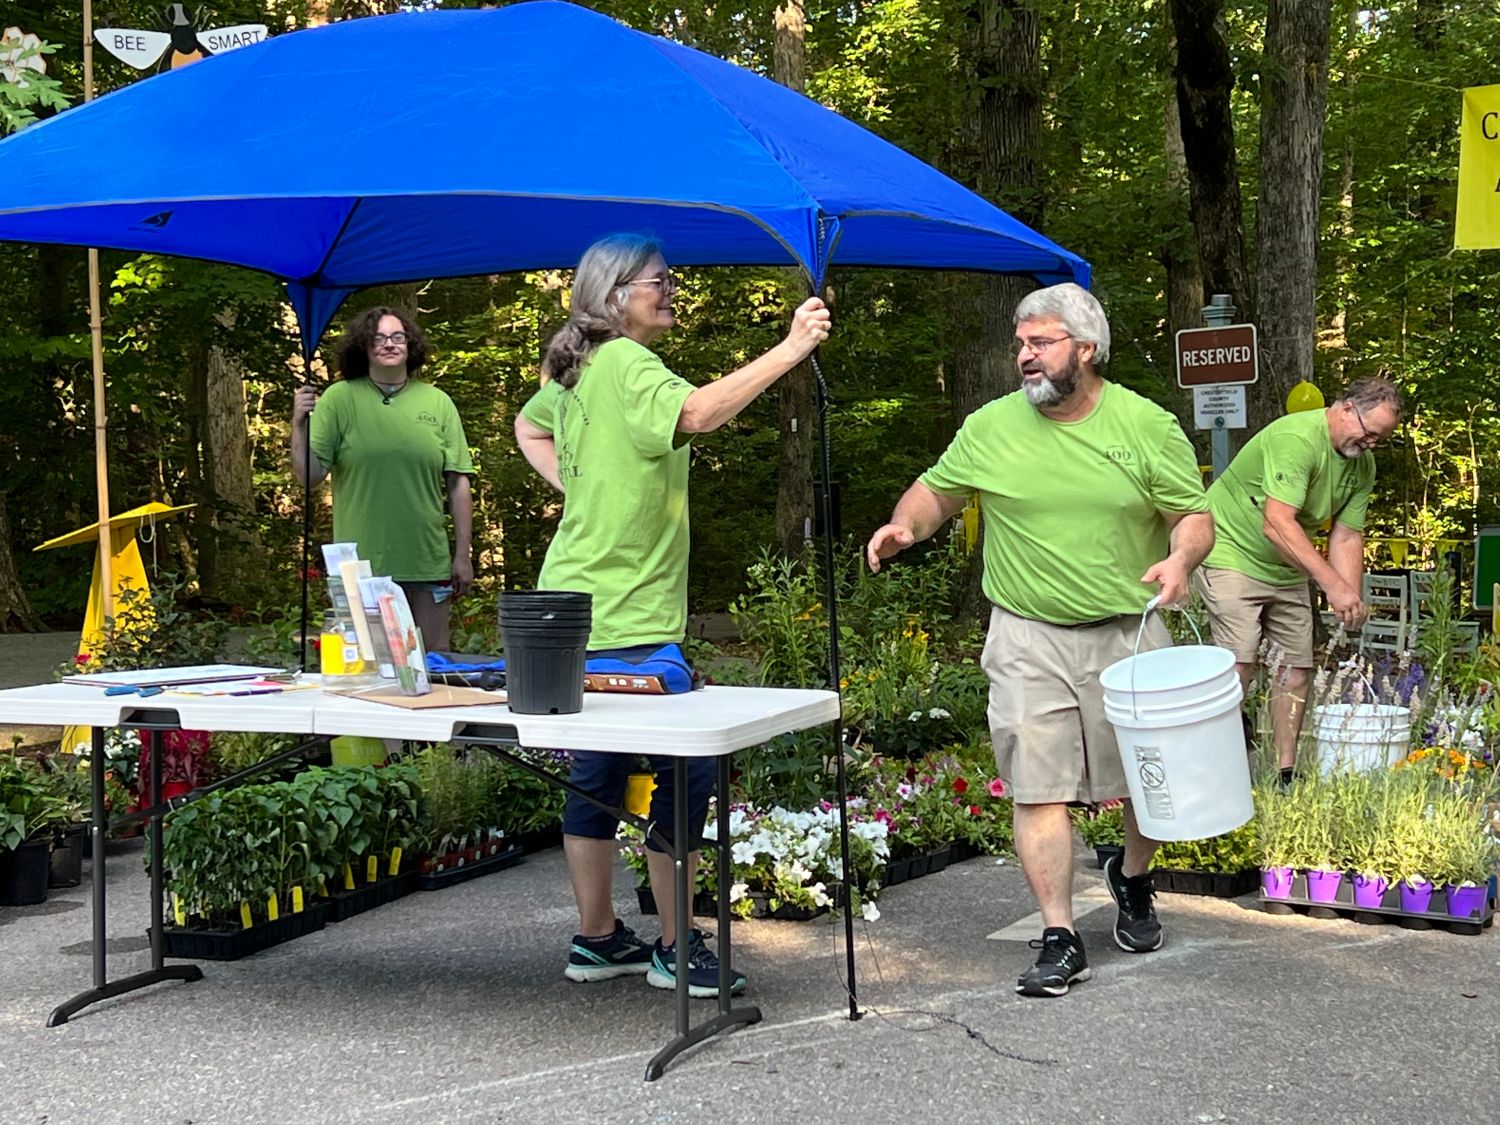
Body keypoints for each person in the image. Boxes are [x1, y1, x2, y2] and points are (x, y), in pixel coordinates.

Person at [865, 282, 1213, 998]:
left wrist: (1180, 560)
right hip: (1025, 632)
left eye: (1041, 342)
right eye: (1020, 343)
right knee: (1036, 786)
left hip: (1129, 631)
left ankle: (1134, 878)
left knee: (1146, 785)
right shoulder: (991, 426)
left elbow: (1193, 515)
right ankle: (1060, 934)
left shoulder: (1147, 426)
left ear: (1086, 349)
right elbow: (937, 491)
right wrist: (908, 525)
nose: (1024, 355)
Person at [514, 233, 830, 998]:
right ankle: (675, 944)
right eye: (660, 280)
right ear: (617, 292)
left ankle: (597, 940)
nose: (672, 289)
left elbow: (528, 426)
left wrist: (579, 494)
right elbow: (695, 414)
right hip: (627, 613)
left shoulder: (574, 364)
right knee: (683, 774)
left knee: (597, 771)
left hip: (570, 605)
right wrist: (790, 347)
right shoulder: (623, 360)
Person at [1196, 377, 1401, 779]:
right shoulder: (1297, 439)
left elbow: (1347, 534)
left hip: (1285, 563)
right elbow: (1277, 523)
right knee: (1240, 663)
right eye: (1369, 433)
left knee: (1297, 667)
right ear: (1345, 408)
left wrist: (1351, 597)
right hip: (1231, 551)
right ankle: (1217, 771)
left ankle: (1285, 772)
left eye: (1380, 439)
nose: (1371, 444)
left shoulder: (1363, 465)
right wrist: (1331, 585)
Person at [289, 307, 475, 654]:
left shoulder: (437, 402)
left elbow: (458, 483)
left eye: (397, 336)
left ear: (410, 344)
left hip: (426, 559)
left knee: (435, 662)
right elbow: (309, 477)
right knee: (368, 668)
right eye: (378, 338)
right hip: (360, 566)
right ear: (363, 347)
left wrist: (462, 555)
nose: (388, 344)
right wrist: (298, 424)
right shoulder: (339, 399)